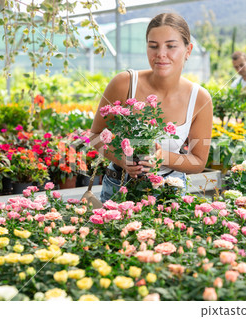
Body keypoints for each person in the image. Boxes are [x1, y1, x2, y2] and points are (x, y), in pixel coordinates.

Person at [90, 13, 213, 203]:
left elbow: (198, 161)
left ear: (188, 50)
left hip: (170, 191)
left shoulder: (200, 99)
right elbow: (96, 135)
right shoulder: (125, 83)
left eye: (171, 46)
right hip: (120, 188)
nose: (161, 54)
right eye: (153, 46)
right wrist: (124, 160)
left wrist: (162, 157)